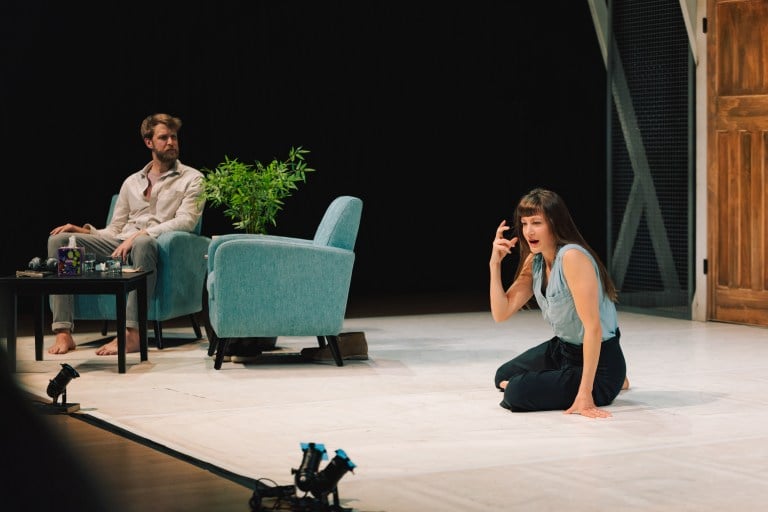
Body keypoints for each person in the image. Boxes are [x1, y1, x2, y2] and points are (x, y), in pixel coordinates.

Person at [46, 113, 204, 356]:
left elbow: (187, 222)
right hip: (121, 240)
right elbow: (115, 229)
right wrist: (85, 231)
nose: (171, 142)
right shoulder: (131, 182)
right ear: (148, 142)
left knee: (142, 243)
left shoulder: (193, 178)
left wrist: (140, 234)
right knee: (60, 241)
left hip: (154, 243)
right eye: (164, 137)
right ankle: (64, 332)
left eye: (174, 137)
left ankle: (132, 334)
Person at [490, 187, 629, 419]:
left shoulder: (572, 258)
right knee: (503, 375)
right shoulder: (535, 261)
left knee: (515, 392)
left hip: (600, 363)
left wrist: (585, 394)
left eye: (536, 223)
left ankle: (610, 381)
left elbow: (593, 328)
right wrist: (494, 264)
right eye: (524, 224)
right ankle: (565, 377)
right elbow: (501, 313)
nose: (528, 231)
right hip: (564, 350)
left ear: (555, 223)